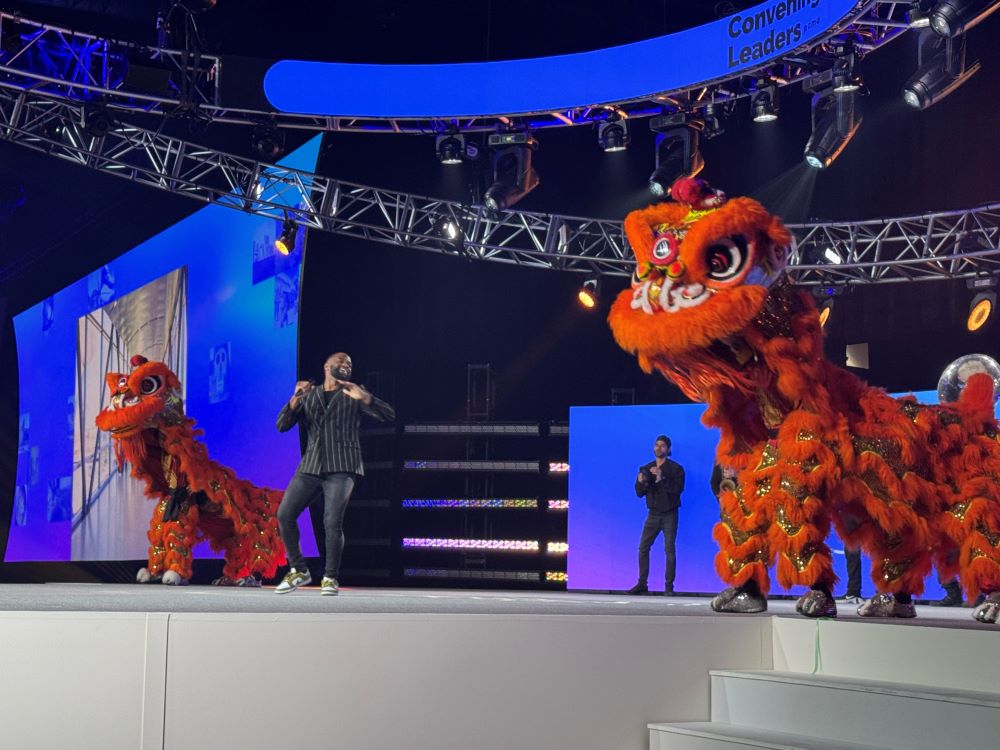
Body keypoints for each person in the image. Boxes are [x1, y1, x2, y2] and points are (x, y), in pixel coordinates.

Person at [274, 352, 395, 595]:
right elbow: (282, 425)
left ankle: (330, 577)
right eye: (342, 361)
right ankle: (299, 569)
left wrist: (366, 398)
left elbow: (389, 415)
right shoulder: (310, 393)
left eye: (350, 363)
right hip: (311, 466)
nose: (347, 365)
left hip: (343, 466)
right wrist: (295, 399)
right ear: (327, 365)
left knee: (331, 521)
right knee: (284, 515)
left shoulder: (353, 392)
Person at [627, 435, 685, 596]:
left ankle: (668, 587)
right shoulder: (646, 468)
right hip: (652, 514)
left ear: (669, 449)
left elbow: (677, 490)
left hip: (669, 514)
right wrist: (640, 481)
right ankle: (642, 583)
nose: (659, 448)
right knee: (643, 548)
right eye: (656, 445)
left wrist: (661, 478)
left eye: (663, 446)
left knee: (669, 550)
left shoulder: (676, 469)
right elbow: (639, 493)